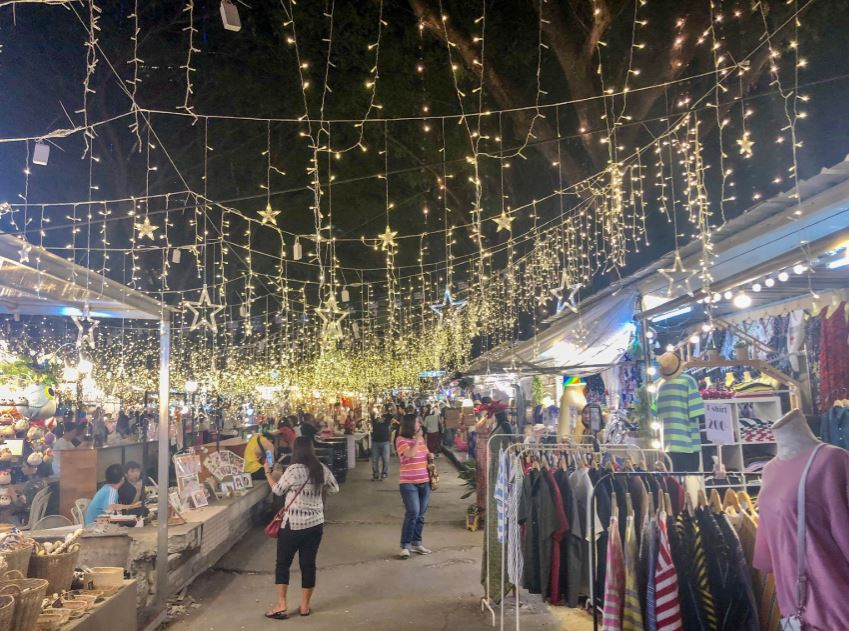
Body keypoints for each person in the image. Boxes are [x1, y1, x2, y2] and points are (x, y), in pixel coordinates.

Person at [263, 437, 339, 620]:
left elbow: (278, 491)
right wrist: (316, 492)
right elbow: (334, 488)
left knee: (283, 564)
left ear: (296, 450)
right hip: (315, 525)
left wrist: (267, 473)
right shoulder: (320, 468)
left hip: (292, 526)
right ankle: (304, 606)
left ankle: (281, 604)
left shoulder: (293, 470)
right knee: (308, 564)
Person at [395, 413, 432, 559]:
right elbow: (410, 454)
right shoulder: (400, 439)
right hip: (408, 483)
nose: (420, 425)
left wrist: (431, 456)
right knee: (413, 512)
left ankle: (417, 542)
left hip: (424, 481)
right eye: (417, 422)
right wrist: (417, 441)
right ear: (411, 424)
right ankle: (405, 545)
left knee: (421, 515)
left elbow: (426, 454)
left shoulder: (421, 439)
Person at [370, 409, 392, 481]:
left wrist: (392, 402)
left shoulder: (387, 419)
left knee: (386, 460)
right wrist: (372, 403)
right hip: (375, 442)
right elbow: (370, 411)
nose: (380, 411)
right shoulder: (374, 419)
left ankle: (384, 473)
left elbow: (394, 411)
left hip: (385, 442)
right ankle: (376, 474)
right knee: (374, 460)